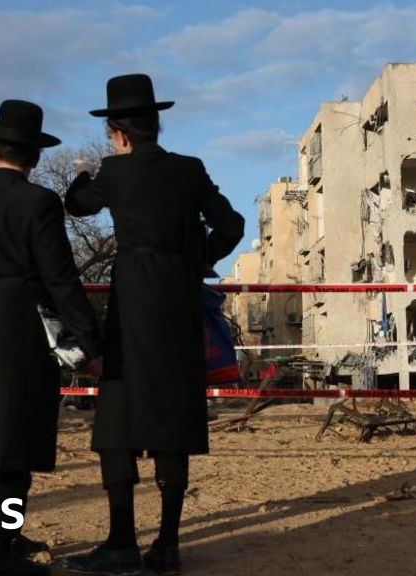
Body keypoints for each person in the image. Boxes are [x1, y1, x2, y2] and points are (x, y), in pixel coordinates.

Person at [63, 74, 244, 576]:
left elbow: (76, 205)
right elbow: (232, 225)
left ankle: (121, 541)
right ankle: (167, 544)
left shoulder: (114, 171)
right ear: (156, 126)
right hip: (180, 307)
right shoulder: (189, 169)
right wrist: (195, 260)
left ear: (119, 133)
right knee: (174, 418)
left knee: (117, 420)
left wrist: (83, 175)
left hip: (133, 305)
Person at [0, 99, 103, 576]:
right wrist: (90, 342)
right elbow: (60, 278)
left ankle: (5, 536)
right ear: (34, 157)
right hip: (20, 331)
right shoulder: (40, 202)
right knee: (16, 441)